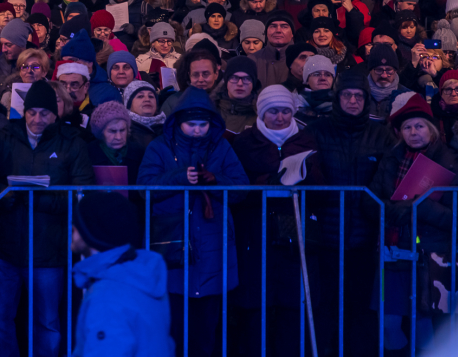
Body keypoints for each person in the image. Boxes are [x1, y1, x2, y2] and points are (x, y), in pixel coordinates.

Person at [137, 86, 249, 357]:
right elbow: (144, 188)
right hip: (171, 247)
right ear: (178, 122)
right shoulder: (159, 147)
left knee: (205, 333)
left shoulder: (220, 147)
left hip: (212, 244)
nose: (198, 130)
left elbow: (241, 188)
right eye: (191, 125)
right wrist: (178, 177)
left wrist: (216, 180)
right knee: (172, 331)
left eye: (203, 124)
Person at [0, 80, 95, 357]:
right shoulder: (6, 138)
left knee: (47, 322)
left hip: (50, 248)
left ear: (56, 114)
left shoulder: (72, 143)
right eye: (32, 112)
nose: (37, 119)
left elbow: (80, 193)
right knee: (0, 319)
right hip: (7, 246)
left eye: (45, 113)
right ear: (23, 112)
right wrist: (9, 195)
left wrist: (35, 197)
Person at [230, 85, 325, 357]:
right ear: (262, 113)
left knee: (292, 307)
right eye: (273, 111)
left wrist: (304, 178)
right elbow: (238, 183)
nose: (280, 117)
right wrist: (268, 181)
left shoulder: (306, 139)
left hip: (295, 232)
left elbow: (322, 183)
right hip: (256, 232)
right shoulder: (246, 142)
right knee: (256, 306)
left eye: (285, 111)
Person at [303, 69, 393, 356]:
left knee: (362, 311)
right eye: (347, 95)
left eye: (358, 96)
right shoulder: (316, 131)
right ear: (337, 97)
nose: (353, 101)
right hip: (325, 239)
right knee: (324, 310)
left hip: (365, 240)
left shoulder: (382, 135)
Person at [368, 94, 458, 349]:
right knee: (388, 322)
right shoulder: (391, 159)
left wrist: (419, 208)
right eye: (407, 127)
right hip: (391, 253)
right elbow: (371, 199)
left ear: (431, 130)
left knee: (422, 323)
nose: (413, 132)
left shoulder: (449, 163)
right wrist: (389, 209)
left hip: (425, 256)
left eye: (419, 126)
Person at [70, 191, 174, 357]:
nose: (73, 229)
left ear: (92, 233)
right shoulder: (144, 276)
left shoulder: (107, 297)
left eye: (78, 225)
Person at [87, 100, 146, 185]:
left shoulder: (139, 153)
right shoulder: (89, 153)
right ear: (101, 132)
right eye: (112, 131)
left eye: (122, 130)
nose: (118, 137)